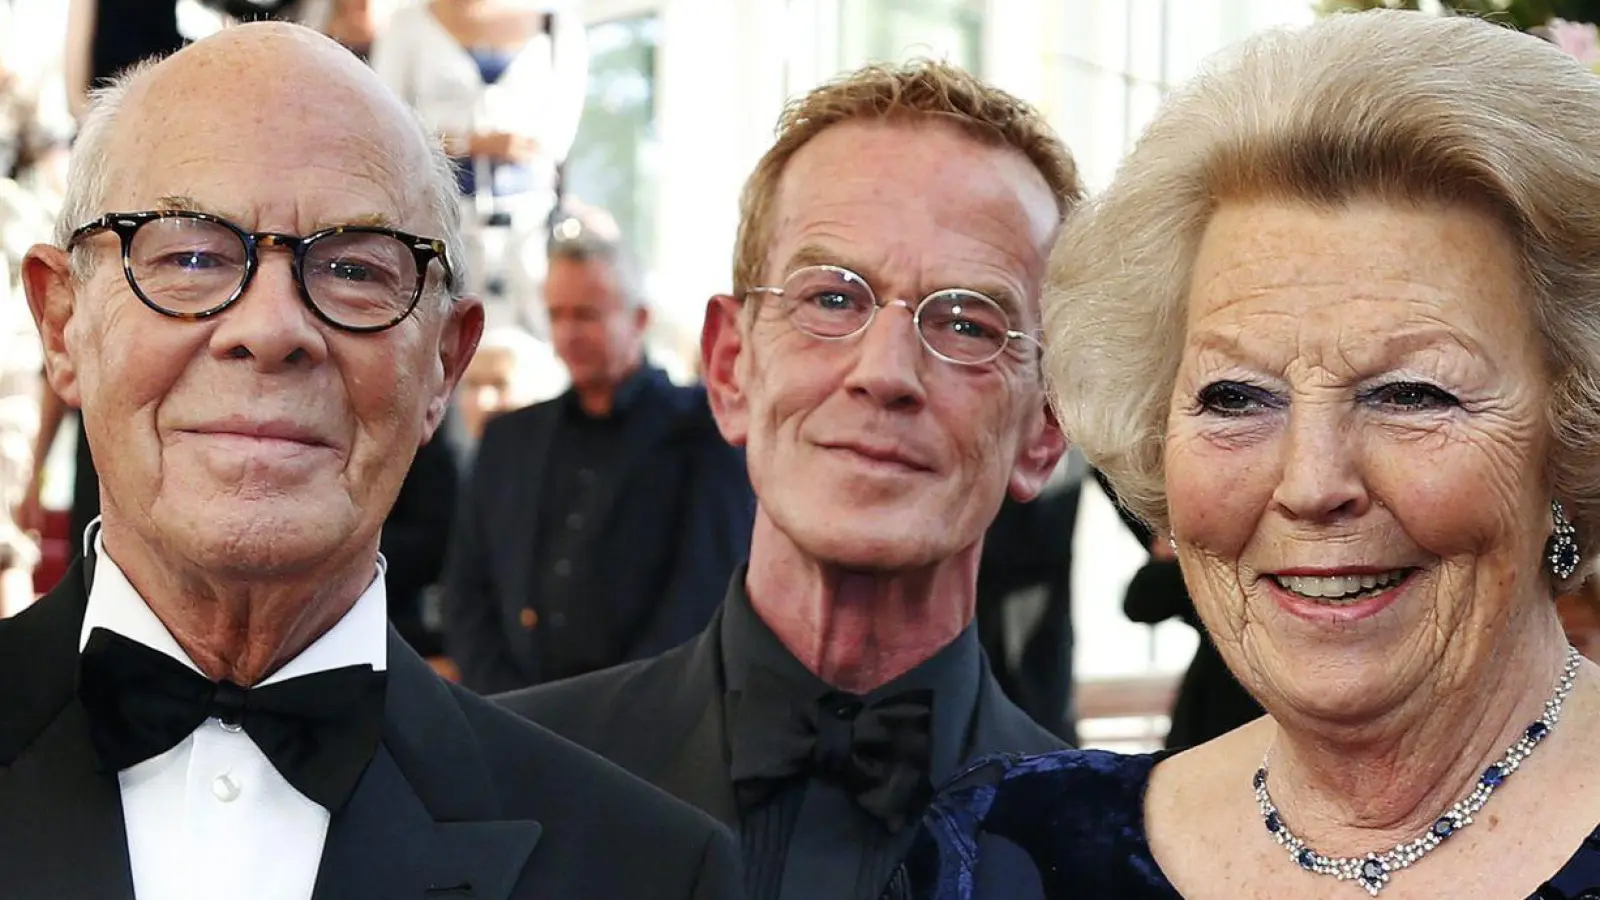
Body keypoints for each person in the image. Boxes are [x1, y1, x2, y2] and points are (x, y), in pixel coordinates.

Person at [1, 23, 740, 898]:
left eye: (354, 269)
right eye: (190, 256)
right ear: (61, 324)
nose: (272, 329)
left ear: (444, 363)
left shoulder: (642, 869)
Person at [908, 10, 1600, 899]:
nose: (1312, 483)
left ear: (1574, 432)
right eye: (1235, 398)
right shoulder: (1006, 856)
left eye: (1411, 394)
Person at [500, 59, 1081, 900]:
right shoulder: (508, 787)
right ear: (731, 367)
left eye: (966, 322)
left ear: (1046, 427)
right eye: (833, 300)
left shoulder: (1103, 856)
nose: (885, 373)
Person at [444, 218, 755, 692]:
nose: (568, 333)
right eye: (557, 315)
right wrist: (507, 707)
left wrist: (609, 712)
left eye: (587, 315)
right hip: (510, 720)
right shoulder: (509, 440)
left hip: (646, 724)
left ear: (639, 319)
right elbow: (467, 591)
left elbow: (702, 594)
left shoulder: (706, 435)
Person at [371, 0, 588, 313]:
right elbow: (387, 127)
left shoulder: (558, 27)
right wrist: (473, 143)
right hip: (437, 217)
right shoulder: (407, 25)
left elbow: (556, 139)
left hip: (528, 223)